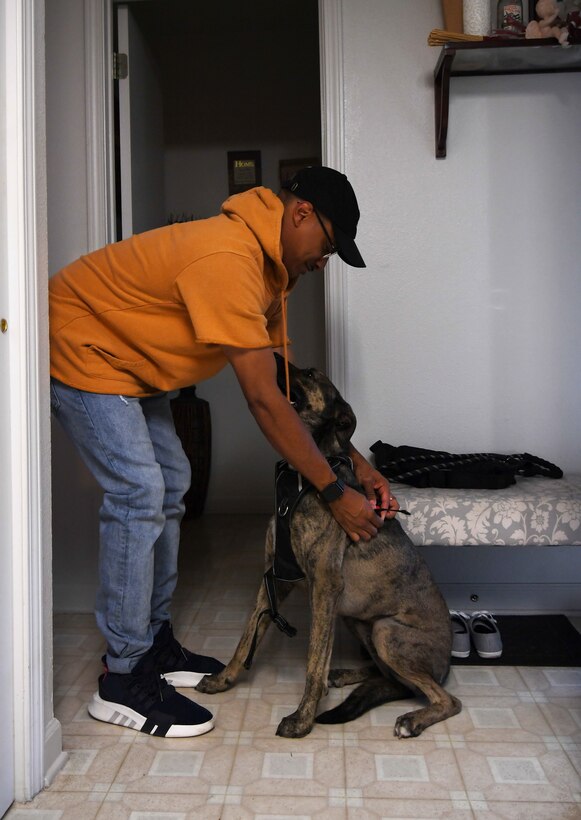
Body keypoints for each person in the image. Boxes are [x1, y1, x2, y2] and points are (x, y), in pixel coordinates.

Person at [49, 165, 398, 739]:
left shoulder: (271, 273)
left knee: (171, 481)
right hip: (81, 345)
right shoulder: (230, 259)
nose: (324, 260)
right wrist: (335, 495)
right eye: (328, 246)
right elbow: (263, 401)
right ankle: (123, 676)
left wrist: (359, 466)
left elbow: (285, 385)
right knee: (139, 490)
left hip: (132, 364)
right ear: (301, 214)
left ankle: (151, 642)